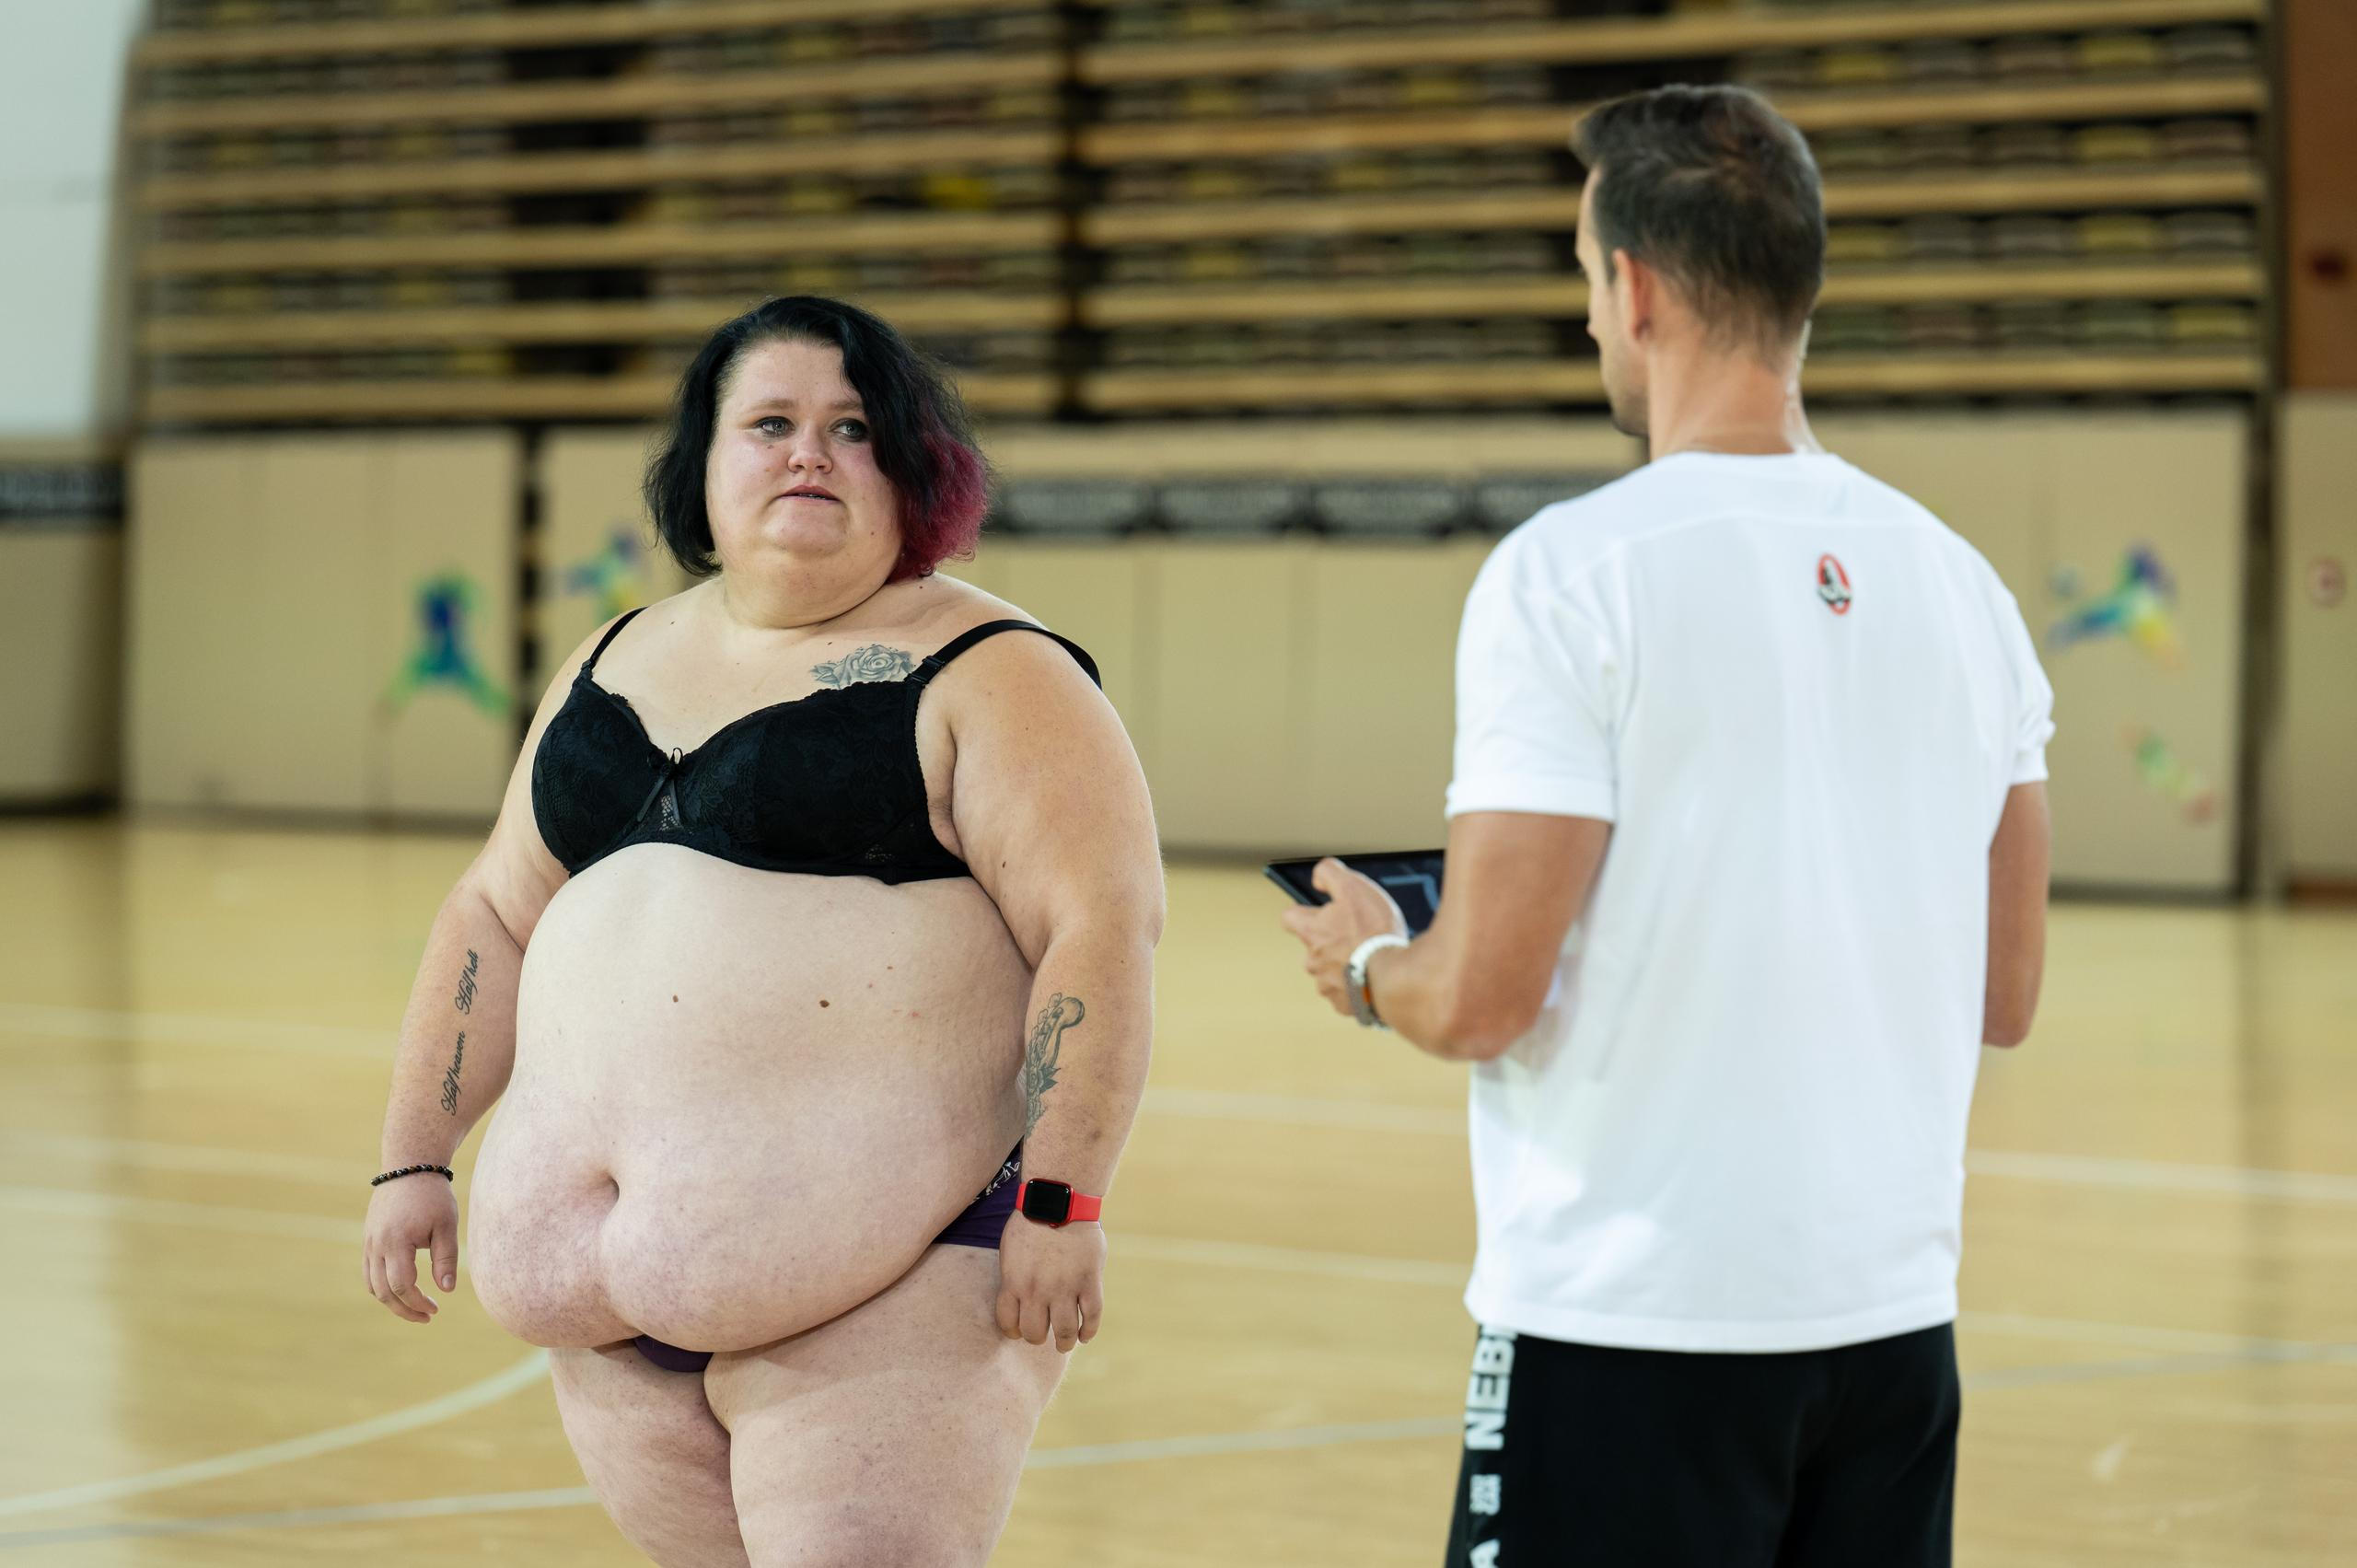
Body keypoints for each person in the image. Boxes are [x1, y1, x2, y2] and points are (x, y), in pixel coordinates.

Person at [1283, 85, 2053, 1568]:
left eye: (1587, 279)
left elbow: (1482, 1000)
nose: (1589, 318)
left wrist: (1374, 966)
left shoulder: (1568, 575)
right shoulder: (1969, 589)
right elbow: (2002, 997)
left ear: (1633, 289)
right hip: (1892, 1341)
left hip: (1631, 1333)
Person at [360, 296, 1164, 1568]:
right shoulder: (609, 659)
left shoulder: (995, 669)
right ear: (703, 463)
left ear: (914, 468)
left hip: (893, 1285)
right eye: (771, 425)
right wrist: (413, 1158)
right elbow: (495, 912)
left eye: (854, 429)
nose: (809, 456)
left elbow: (1100, 933)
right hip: (611, 1332)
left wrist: (1065, 1202)